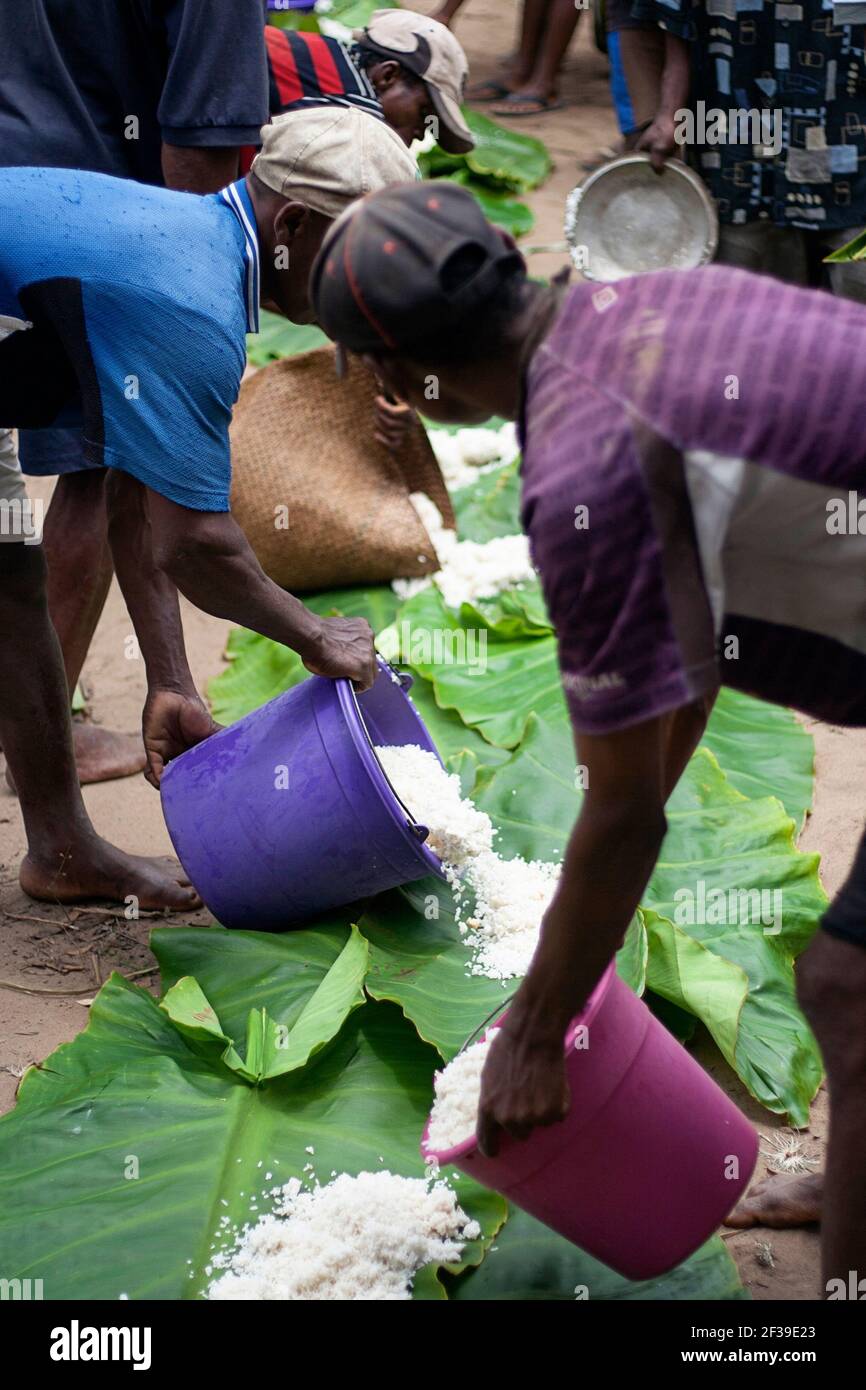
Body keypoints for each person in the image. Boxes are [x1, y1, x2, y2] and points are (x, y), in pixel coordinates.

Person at [310, 180, 866, 1294]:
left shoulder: (587, 463)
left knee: (847, 991)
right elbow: (683, 667)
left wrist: (534, 1026)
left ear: (391, 374)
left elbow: (621, 811)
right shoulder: (639, 307)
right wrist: (581, 952)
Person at [0, 107, 416, 911]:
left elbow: (134, 490)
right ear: (293, 223)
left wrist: (171, 678)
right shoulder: (190, 303)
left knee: (11, 578)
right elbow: (198, 545)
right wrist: (315, 635)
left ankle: (60, 850)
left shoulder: (193, 241)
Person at [0, 0, 271, 785]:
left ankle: (44, 739)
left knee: (52, 500)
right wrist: (191, 311)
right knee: (98, 472)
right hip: (86, 215)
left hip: (32, 177)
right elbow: (203, 157)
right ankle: (41, 747)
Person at [631, 0, 866, 298]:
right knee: (753, 316)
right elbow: (673, 17)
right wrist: (668, 112)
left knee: (855, 312)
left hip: (846, 146)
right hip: (739, 153)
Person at [253, 7, 474, 157]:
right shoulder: (357, 111)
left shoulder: (317, 52)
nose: (420, 133)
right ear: (387, 76)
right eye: (424, 113)